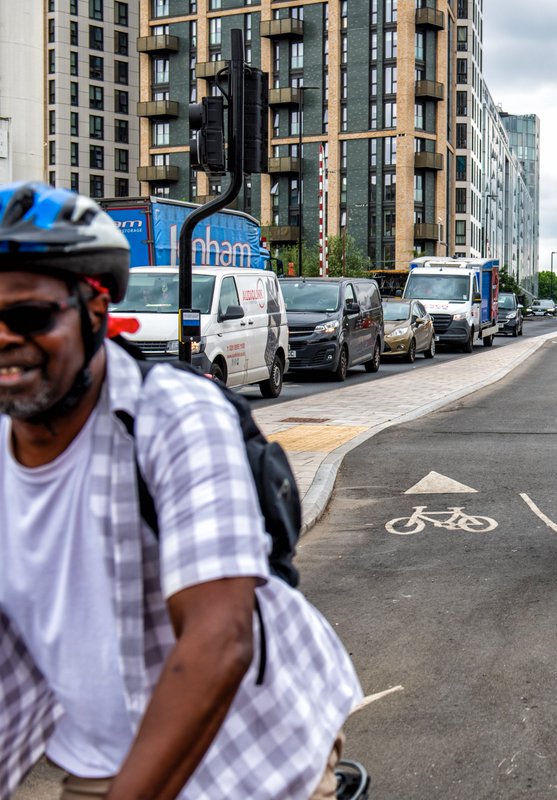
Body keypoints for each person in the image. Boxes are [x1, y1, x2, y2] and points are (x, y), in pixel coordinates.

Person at [0, 182, 362, 799]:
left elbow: (219, 638)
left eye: (29, 316)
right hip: (101, 761)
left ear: (94, 312)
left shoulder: (173, 416)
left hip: (252, 753)